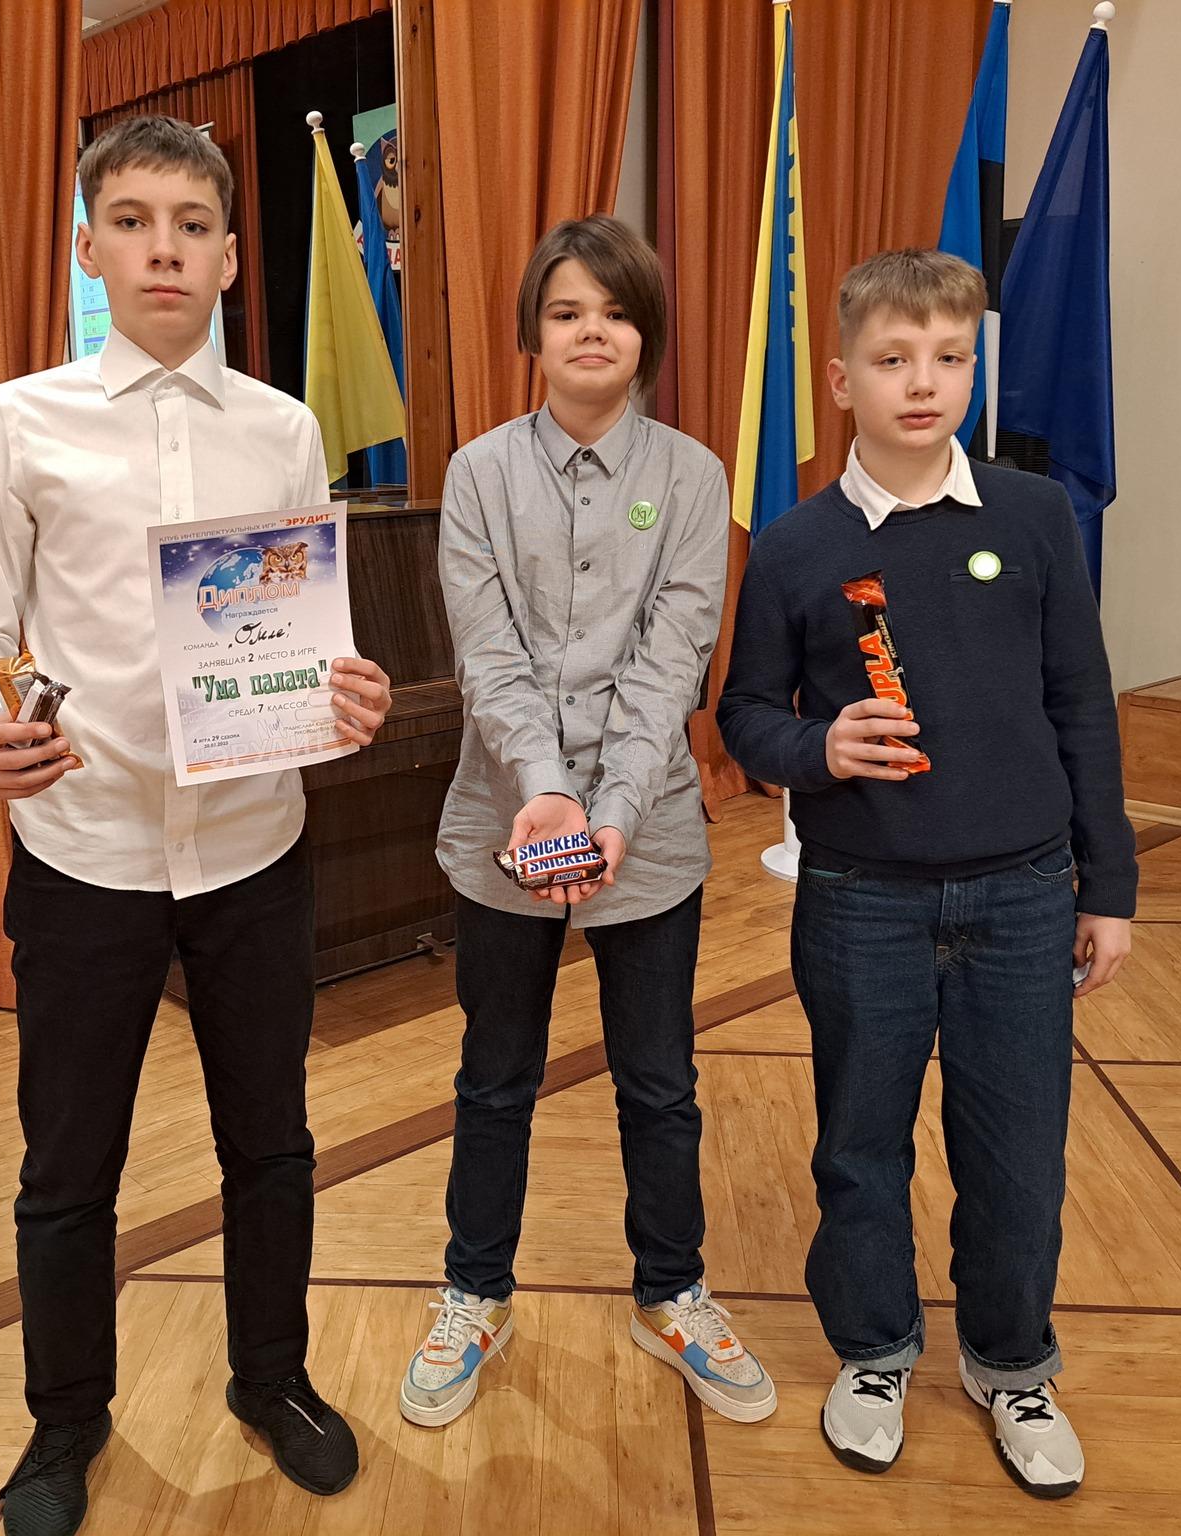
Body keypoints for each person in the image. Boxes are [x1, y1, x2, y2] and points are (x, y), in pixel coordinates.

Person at [0, 115, 392, 1536]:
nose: (164, 249)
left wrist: (348, 691)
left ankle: (272, 1378)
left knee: (272, 1143)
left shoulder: (283, 428)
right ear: (89, 248)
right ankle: (65, 1426)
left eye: (191, 224)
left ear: (232, 256)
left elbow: (306, 632)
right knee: (69, 1170)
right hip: (86, 851)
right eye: (132, 221)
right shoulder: (20, 419)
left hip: (253, 844)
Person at [716, 248, 1137, 1500]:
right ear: (839, 377)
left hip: (1022, 897)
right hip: (862, 901)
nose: (922, 383)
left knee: (1017, 1153)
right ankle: (874, 1351)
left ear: (972, 370)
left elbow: (1081, 703)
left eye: (949, 357)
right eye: (892, 359)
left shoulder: (1031, 516)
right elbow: (743, 713)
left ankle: (1010, 1364)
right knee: (859, 1145)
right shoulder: (793, 545)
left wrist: (1106, 887)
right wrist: (816, 748)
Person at [400, 215, 776, 1431]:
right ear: (533, 333)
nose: (590, 332)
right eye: (565, 312)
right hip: (502, 822)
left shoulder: (693, 477)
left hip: (648, 829)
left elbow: (672, 664)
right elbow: (487, 654)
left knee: (658, 1080)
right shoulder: (478, 473)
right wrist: (544, 792)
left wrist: (608, 808)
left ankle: (670, 1293)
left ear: (644, 333)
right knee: (493, 1076)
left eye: (613, 312)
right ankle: (474, 1294)